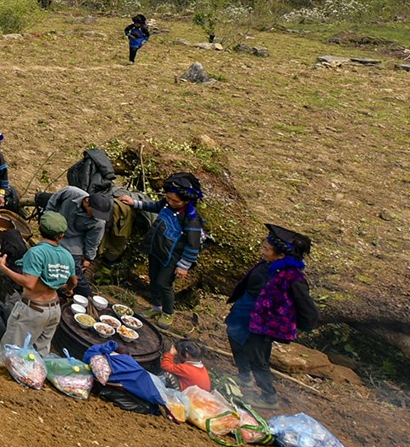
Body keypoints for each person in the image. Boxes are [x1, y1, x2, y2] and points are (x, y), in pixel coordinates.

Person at [226, 224, 318, 405]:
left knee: (258, 357)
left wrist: (304, 325)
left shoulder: (293, 278)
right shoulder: (267, 265)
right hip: (244, 311)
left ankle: (269, 396)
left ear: (282, 255)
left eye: (266, 249)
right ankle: (244, 377)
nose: (262, 251)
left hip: (264, 324)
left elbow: (306, 305)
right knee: (234, 336)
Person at [123, 171, 205, 321]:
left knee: (164, 283)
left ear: (186, 201)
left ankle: (168, 313)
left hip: (172, 257)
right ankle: (156, 307)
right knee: (153, 279)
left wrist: (184, 265)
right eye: (169, 198)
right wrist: (135, 203)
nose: (171, 202)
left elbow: (193, 244)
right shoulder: (167, 203)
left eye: (175, 201)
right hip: (156, 249)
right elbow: (155, 206)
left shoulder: (191, 218)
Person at [0, 212, 76, 352]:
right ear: (61, 236)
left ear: (39, 228)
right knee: (39, 353)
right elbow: (73, 280)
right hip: (54, 310)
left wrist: (2, 267)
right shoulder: (67, 255)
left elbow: (29, 283)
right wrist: (68, 289)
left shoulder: (36, 253)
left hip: (34, 309)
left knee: (12, 352)